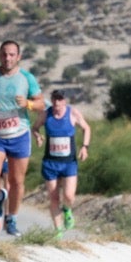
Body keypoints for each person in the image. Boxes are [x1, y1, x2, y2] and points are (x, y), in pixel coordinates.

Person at [0, 40, 43, 236]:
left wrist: (29, 104)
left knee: (16, 181)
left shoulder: (26, 78)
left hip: (19, 135)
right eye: (4, 54)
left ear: (18, 57)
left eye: (12, 54)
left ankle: (11, 219)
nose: (8, 58)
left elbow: (41, 103)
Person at [40, 88, 92, 236]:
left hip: (69, 162)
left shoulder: (73, 113)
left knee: (69, 196)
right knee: (54, 197)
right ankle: (58, 231)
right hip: (50, 163)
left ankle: (67, 209)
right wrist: (37, 135)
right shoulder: (46, 114)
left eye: (60, 99)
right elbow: (35, 127)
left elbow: (86, 128)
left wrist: (85, 147)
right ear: (51, 99)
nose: (57, 102)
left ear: (65, 100)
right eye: (54, 99)